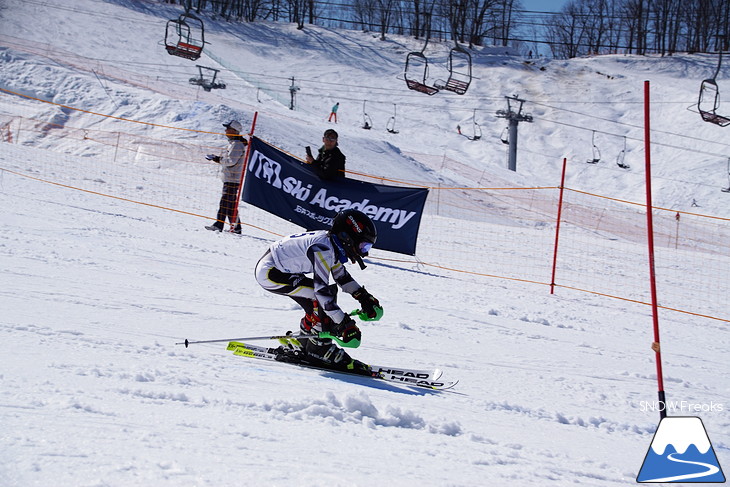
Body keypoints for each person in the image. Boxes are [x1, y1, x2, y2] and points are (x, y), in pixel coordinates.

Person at [254, 209, 382, 373]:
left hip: (280, 269)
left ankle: (303, 342)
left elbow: (341, 277)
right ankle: (320, 351)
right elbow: (321, 291)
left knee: (318, 304)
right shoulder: (323, 248)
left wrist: (364, 297)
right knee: (321, 297)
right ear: (347, 237)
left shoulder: (331, 245)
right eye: (364, 246)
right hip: (271, 273)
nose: (365, 252)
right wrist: (343, 323)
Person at [205, 120, 248, 233]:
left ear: (234, 131)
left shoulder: (237, 145)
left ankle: (219, 225)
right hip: (231, 178)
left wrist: (217, 159)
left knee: (225, 203)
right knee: (230, 204)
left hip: (232, 178)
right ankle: (236, 228)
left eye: (228, 128)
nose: (225, 131)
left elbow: (231, 161)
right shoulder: (235, 143)